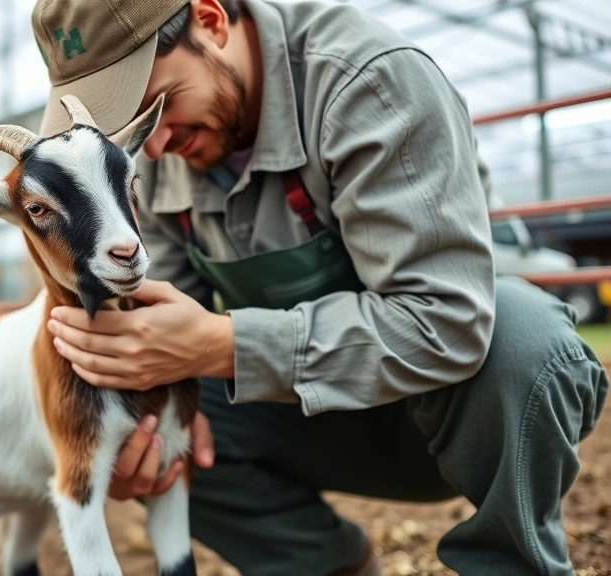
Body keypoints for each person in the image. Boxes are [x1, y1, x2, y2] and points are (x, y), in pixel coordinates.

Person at [32, 0, 611, 574]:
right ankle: (327, 566)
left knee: (529, 347)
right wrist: (144, 431)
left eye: (159, 106)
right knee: (156, 425)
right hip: (307, 410)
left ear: (210, 21)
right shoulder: (147, 158)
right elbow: (154, 327)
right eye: (129, 127)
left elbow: (447, 321)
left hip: (453, 415)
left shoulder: (370, 82)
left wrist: (225, 345)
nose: (152, 148)